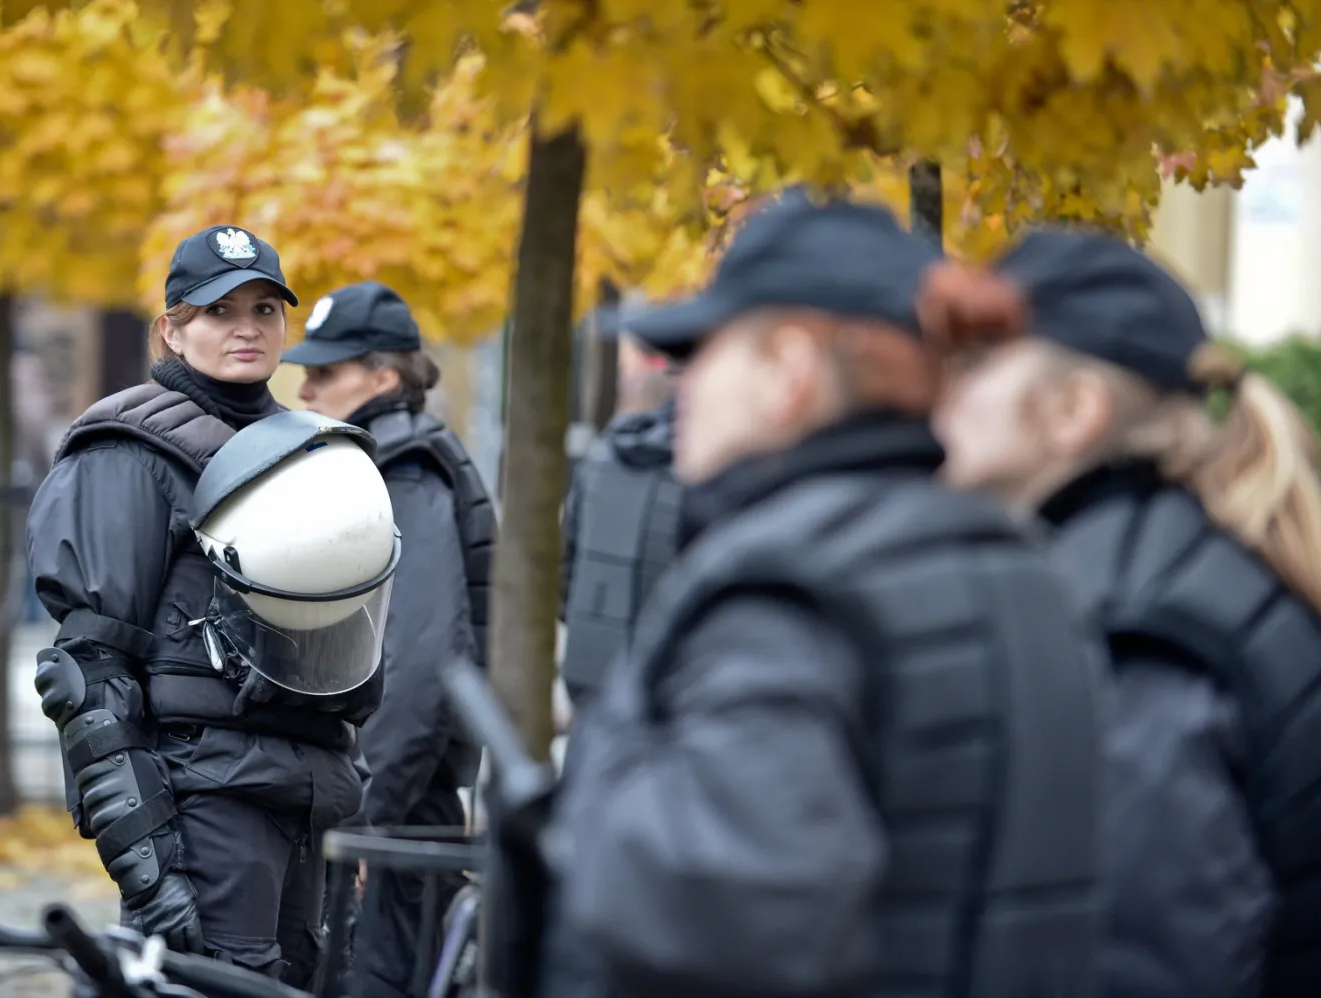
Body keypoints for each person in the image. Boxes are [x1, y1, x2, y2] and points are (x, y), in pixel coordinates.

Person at [538, 191, 1105, 998]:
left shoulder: (785, 589)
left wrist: (606, 761)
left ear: (789, 370)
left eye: (706, 352)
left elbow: (717, 920)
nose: (683, 384)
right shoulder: (1024, 564)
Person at [928, 229, 1321, 998]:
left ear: (1073, 410)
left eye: (971, 366)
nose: (936, 394)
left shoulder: (1132, 633)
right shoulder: (1169, 573)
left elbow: (1137, 964)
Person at [27, 226, 396, 987]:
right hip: (205, 808)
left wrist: (350, 813)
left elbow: (339, 652)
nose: (246, 328)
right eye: (219, 310)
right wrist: (152, 868)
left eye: (264, 309)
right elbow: (89, 676)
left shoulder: (306, 454)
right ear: (172, 328)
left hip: (308, 807)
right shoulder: (128, 453)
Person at [286, 280, 495, 998]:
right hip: (398, 804)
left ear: (383, 377)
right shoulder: (388, 461)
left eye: (327, 372)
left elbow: (422, 662)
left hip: (396, 818)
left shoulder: (405, 473)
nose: (307, 388)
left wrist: (369, 815)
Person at [560, 305, 680, 716]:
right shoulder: (706, 477)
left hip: (590, 684)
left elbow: (565, 577)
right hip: (665, 700)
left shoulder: (599, 461)